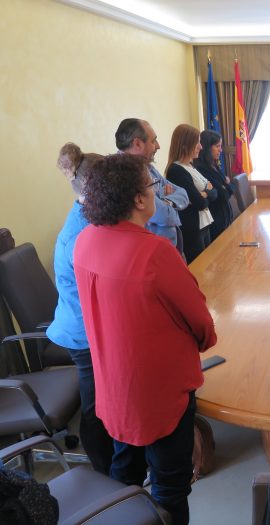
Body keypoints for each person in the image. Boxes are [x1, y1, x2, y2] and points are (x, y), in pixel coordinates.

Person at [74, 153, 217, 525]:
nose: (156, 192)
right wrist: (204, 340)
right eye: (152, 186)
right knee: (170, 489)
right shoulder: (155, 252)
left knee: (125, 477)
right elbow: (201, 322)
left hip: (114, 388)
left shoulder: (85, 240)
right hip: (159, 396)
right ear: (139, 199)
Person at [46, 143, 113, 475]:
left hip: (87, 323)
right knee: (95, 404)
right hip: (82, 332)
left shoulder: (90, 218)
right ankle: (104, 473)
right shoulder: (81, 235)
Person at [115, 118, 189, 255]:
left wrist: (167, 202)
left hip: (169, 247)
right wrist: (169, 204)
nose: (158, 146)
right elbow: (164, 216)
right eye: (154, 141)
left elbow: (183, 193)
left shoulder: (147, 167)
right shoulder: (123, 173)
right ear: (137, 143)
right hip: (153, 254)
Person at [166, 124, 218, 263]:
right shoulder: (176, 170)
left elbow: (215, 193)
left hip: (205, 223)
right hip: (193, 228)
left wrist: (204, 193)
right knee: (200, 267)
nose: (201, 147)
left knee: (210, 265)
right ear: (185, 145)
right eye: (197, 143)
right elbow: (200, 203)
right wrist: (206, 193)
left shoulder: (191, 166)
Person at [193, 129, 235, 241]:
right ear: (207, 147)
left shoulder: (213, 165)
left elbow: (231, 189)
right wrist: (226, 184)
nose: (220, 150)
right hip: (215, 222)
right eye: (217, 146)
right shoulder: (201, 168)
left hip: (225, 218)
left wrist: (226, 185)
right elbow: (223, 194)